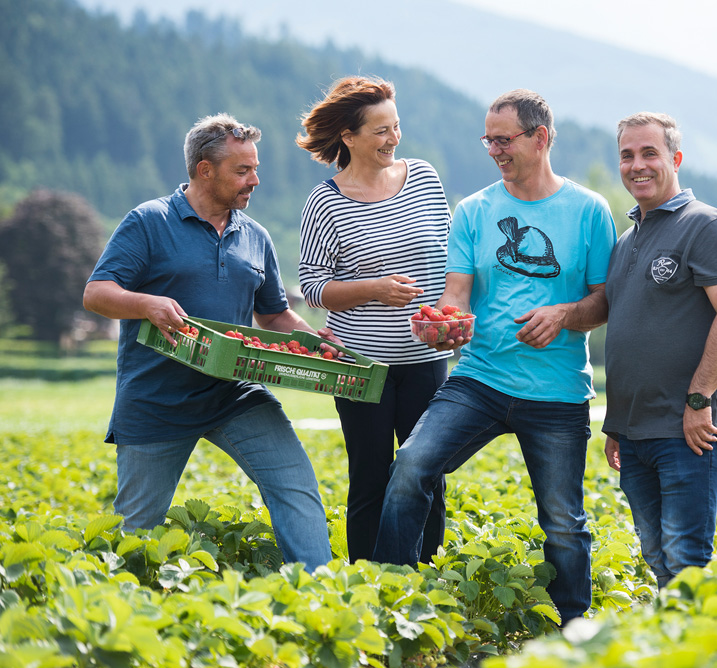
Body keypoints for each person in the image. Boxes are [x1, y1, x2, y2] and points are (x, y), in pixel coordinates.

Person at [372, 89, 617, 623]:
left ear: (541, 137)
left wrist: (566, 315)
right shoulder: (476, 210)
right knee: (412, 465)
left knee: (562, 519)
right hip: (480, 380)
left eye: (504, 140)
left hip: (556, 390)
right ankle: (393, 602)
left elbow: (603, 302)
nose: (494, 151)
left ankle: (573, 631)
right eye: (489, 140)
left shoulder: (589, 211)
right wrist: (443, 328)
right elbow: (456, 294)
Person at [83, 113, 335, 572]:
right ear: (204, 169)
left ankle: (318, 590)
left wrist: (315, 341)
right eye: (242, 170)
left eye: (255, 168)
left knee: (295, 485)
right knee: (137, 527)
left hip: (233, 391)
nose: (255, 180)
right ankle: (111, 613)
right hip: (156, 399)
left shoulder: (255, 236)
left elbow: (274, 313)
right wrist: (146, 304)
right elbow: (97, 293)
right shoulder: (148, 221)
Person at [296, 76, 452, 563]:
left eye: (396, 126)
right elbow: (314, 288)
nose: (393, 138)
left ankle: (426, 578)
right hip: (360, 367)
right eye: (380, 130)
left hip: (426, 358)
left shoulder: (423, 177)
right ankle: (366, 582)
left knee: (427, 473)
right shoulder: (325, 202)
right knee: (369, 476)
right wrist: (374, 290)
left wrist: (451, 313)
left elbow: (452, 259)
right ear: (349, 136)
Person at [602, 112, 717, 589]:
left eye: (650, 153)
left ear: (675, 159)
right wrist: (617, 424)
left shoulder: (707, 226)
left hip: (690, 429)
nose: (637, 165)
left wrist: (698, 399)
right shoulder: (627, 241)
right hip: (635, 432)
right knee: (656, 556)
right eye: (627, 155)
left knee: (686, 561)